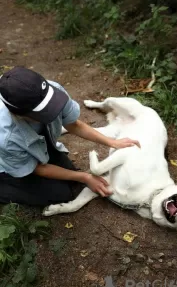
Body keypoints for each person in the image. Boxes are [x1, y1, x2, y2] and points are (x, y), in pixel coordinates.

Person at [0, 66, 140, 207]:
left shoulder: (51, 91)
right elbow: (37, 168)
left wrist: (112, 142)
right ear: (19, 114)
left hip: (35, 144)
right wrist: (84, 177)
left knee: (70, 179)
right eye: (44, 112)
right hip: (6, 162)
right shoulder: (6, 137)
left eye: (51, 105)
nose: (53, 112)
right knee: (61, 194)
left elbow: (74, 125)